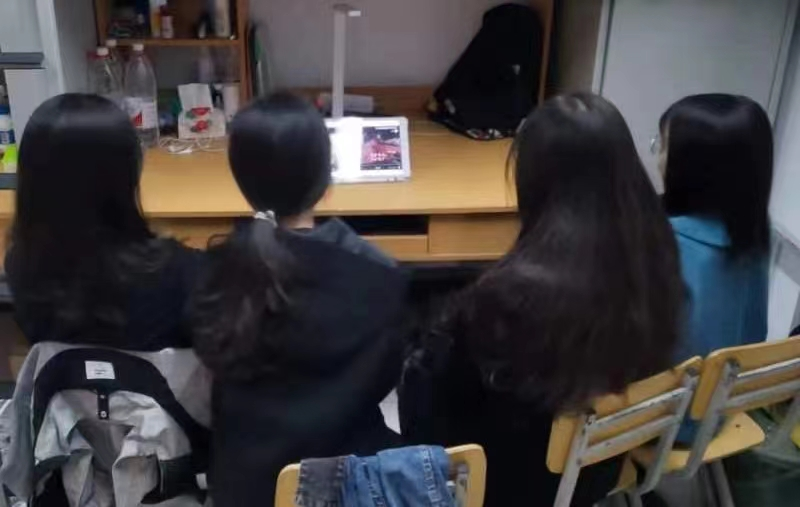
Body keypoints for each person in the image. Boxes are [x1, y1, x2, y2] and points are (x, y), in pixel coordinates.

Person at [399, 93, 684, 506]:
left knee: (418, 368)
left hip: (508, 484)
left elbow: (446, 408)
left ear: (534, 179)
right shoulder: (658, 255)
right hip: (598, 466)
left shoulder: (512, 294)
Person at [190, 92, 408, 506]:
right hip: (349, 486)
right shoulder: (379, 276)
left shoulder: (212, 274)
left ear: (241, 179)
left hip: (245, 488)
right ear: (325, 177)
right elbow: (387, 379)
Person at [6, 93, 200, 350]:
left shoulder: (20, 263)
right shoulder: (174, 269)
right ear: (125, 174)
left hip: (66, 376)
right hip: (157, 378)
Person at [658, 94, 772, 361]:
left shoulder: (661, 240)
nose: (658, 159)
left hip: (668, 385)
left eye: (663, 146)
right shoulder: (753, 232)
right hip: (732, 380)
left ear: (690, 167)